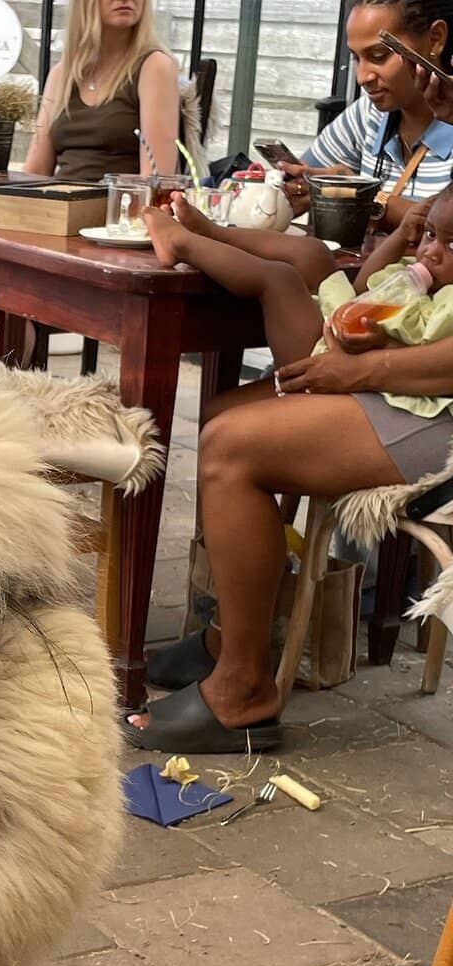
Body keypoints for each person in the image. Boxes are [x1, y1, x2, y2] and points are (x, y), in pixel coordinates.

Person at [124, 185, 453, 753]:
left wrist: (362, 372)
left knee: (233, 445)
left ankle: (243, 688)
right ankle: (230, 639)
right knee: (224, 417)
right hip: (410, 388)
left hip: (441, 414)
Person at [280, 0, 453, 230]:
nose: (362, 77)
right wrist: (304, 186)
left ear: (435, 39)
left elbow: (442, 227)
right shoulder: (368, 115)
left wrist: (358, 195)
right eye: (356, 58)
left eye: (379, 56)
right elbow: (309, 178)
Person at [24, 0, 180, 181]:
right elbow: (35, 170)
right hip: (57, 203)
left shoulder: (154, 67)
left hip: (117, 205)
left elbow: (156, 178)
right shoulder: (63, 74)